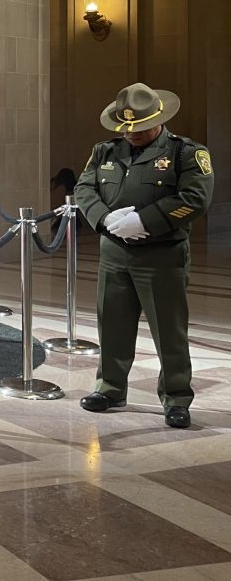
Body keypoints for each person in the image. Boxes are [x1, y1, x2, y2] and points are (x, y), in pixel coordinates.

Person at [73, 82, 214, 430]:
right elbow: (84, 188)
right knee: (113, 326)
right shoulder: (105, 151)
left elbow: (195, 198)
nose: (132, 134)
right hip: (114, 254)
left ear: (159, 119)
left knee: (169, 331)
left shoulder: (185, 153)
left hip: (162, 256)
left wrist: (145, 220)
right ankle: (110, 388)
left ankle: (177, 397)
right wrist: (103, 219)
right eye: (127, 128)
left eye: (140, 127)